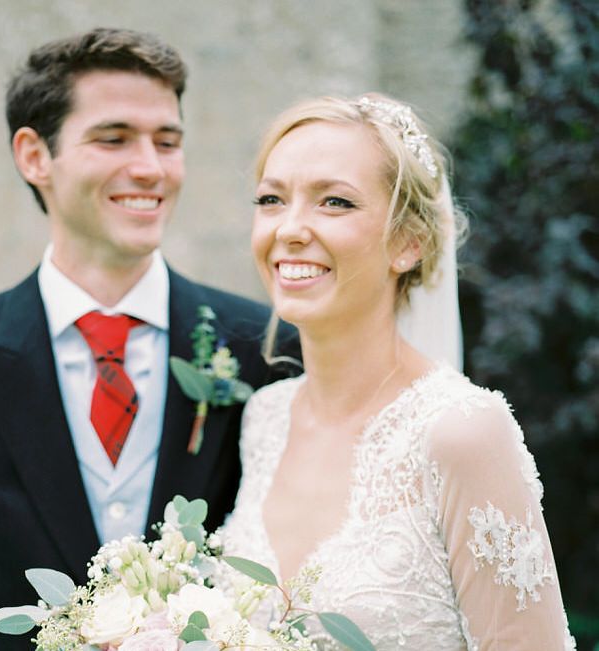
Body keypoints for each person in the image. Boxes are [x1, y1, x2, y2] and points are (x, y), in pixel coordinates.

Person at [0, 28, 297, 651]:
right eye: (114, 138)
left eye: (168, 141)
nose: (150, 168)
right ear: (34, 156)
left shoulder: (262, 347)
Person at [220, 93, 576, 650]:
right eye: (271, 198)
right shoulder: (265, 419)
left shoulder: (461, 430)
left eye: (334, 202)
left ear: (408, 243)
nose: (289, 228)